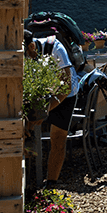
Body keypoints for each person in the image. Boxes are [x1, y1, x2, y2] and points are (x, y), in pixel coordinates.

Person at [24, 29, 80, 189]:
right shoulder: (23, 53)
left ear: (32, 46)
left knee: (58, 138)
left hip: (65, 94)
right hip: (41, 92)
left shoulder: (55, 48)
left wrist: (46, 110)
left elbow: (66, 87)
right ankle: (28, 179)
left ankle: (51, 183)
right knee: (27, 131)